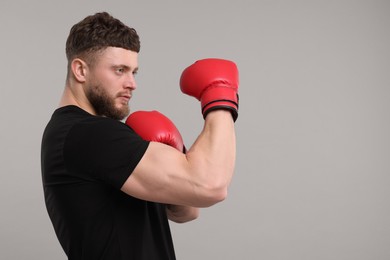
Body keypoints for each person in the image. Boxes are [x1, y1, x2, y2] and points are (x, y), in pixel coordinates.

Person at [41, 11, 238, 260]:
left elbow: (186, 210)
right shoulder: (87, 134)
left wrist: (176, 152)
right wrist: (220, 96)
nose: (131, 83)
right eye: (119, 70)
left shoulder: (74, 134)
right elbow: (211, 186)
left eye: (134, 72)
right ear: (80, 70)